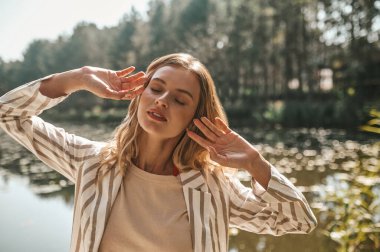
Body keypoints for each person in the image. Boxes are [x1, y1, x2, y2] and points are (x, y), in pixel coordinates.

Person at [0, 53, 317, 252]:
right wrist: (78, 78)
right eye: (156, 88)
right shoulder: (92, 162)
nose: (163, 101)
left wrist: (254, 162)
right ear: (138, 95)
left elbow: (298, 222)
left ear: (197, 118)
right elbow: (9, 114)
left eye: (180, 100)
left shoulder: (212, 187)